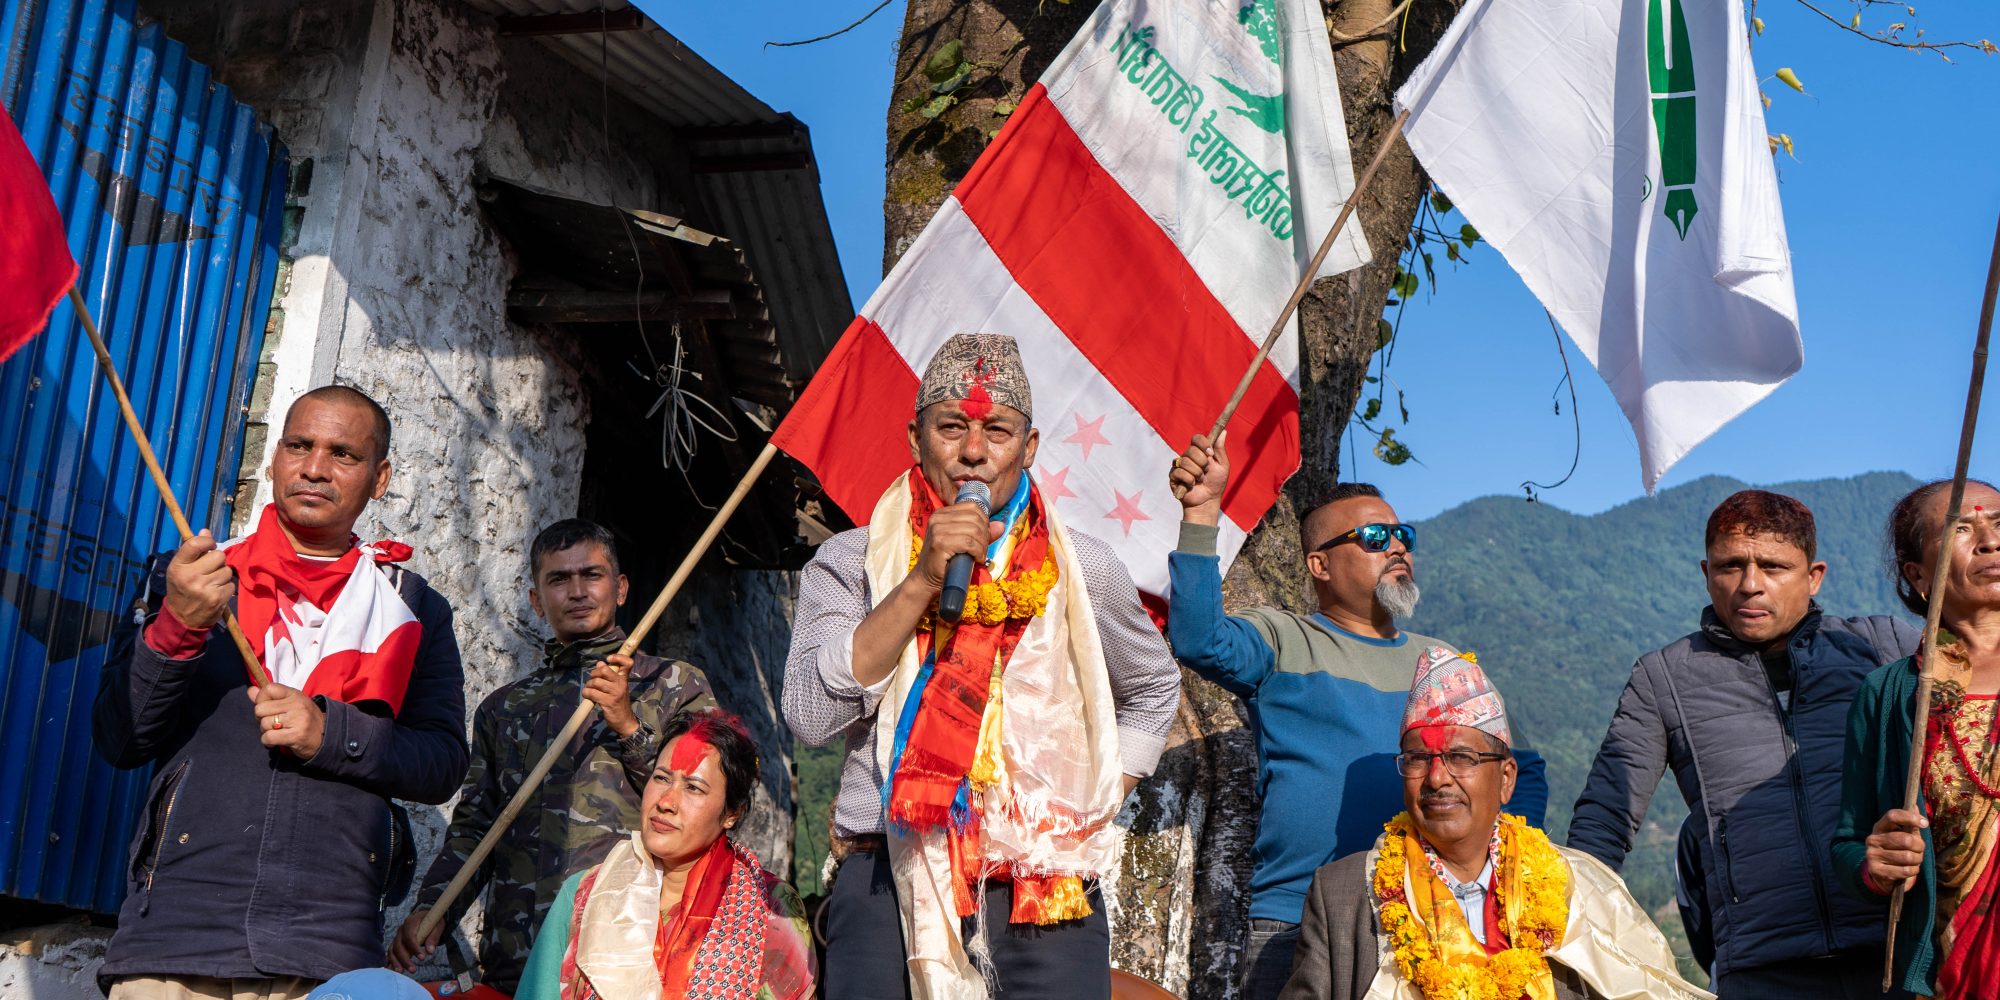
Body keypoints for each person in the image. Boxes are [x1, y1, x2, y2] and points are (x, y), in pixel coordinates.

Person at [783, 333, 1181, 1000]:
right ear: (915, 440)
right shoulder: (852, 560)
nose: (973, 451)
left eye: (997, 431)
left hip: (1045, 888)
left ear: (1029, 447)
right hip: (886, 875)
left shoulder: (1083, 567)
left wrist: (1096, 799)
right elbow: (809, 715)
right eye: (951, 428)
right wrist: (920, 581)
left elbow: (1154, 686)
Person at [92, 384, 470, 998]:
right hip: (176, 939)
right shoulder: (191, 577)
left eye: (343, 454)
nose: (314, 468)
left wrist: (332, 734)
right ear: (273, 461)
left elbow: (442, 764)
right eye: (299, 446)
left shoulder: (410, 608)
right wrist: (178, 625)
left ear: (379, 479)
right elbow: (120, 738)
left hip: (327, 948)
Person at [1167, 435, 1549, 999]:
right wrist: (1201, 515)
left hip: (1436, 922)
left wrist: (1500, 868)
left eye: (1402, 536)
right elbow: (1199, 640)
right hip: (1293, 921)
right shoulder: (1285, 639)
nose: (1396, 548)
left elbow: (1523, 769)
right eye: (1374, 538)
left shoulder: (1444, 663)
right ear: (1319, 564)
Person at [1569, 489, 1915, 997]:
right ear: (1706, 573)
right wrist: (1566, 937)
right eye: (1731, 566)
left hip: (1898, 951)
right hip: (1761, 968)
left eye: (1774, 567)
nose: (1750, 585)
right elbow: (1604, 818)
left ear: (1814, 576)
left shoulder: (1884, 647)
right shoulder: (1664, 678)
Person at [388, 519, 714, 992]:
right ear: (537, 601)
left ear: (621, 588)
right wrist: (434, 907)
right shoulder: (505, 708)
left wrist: (627, 724)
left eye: (592, 575)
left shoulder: (674, 685)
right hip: (520, 960)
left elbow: (703, 805)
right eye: (559, 579)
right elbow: (476, 827)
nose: (577, 591)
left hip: (629, 957)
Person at [1280, 647, 1708, 1000]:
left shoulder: (1574, 888)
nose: (1437, 778)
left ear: (1506, 779)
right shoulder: (1344, 894)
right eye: (1418, 759)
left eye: (1461, 757)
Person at [515, 709, 813, 1000]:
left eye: (693, 788)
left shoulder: (771, 909)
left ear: (732, 813)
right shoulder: (585, 895)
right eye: (661, 778)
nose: (666, 802)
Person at [1835, 478, 2000, 1000]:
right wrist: (1877, 865)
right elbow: (1848, 842)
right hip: (1952, 974)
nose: (1990, 541)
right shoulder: (1891, 695)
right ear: (1918, 574)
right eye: (1960, 529)